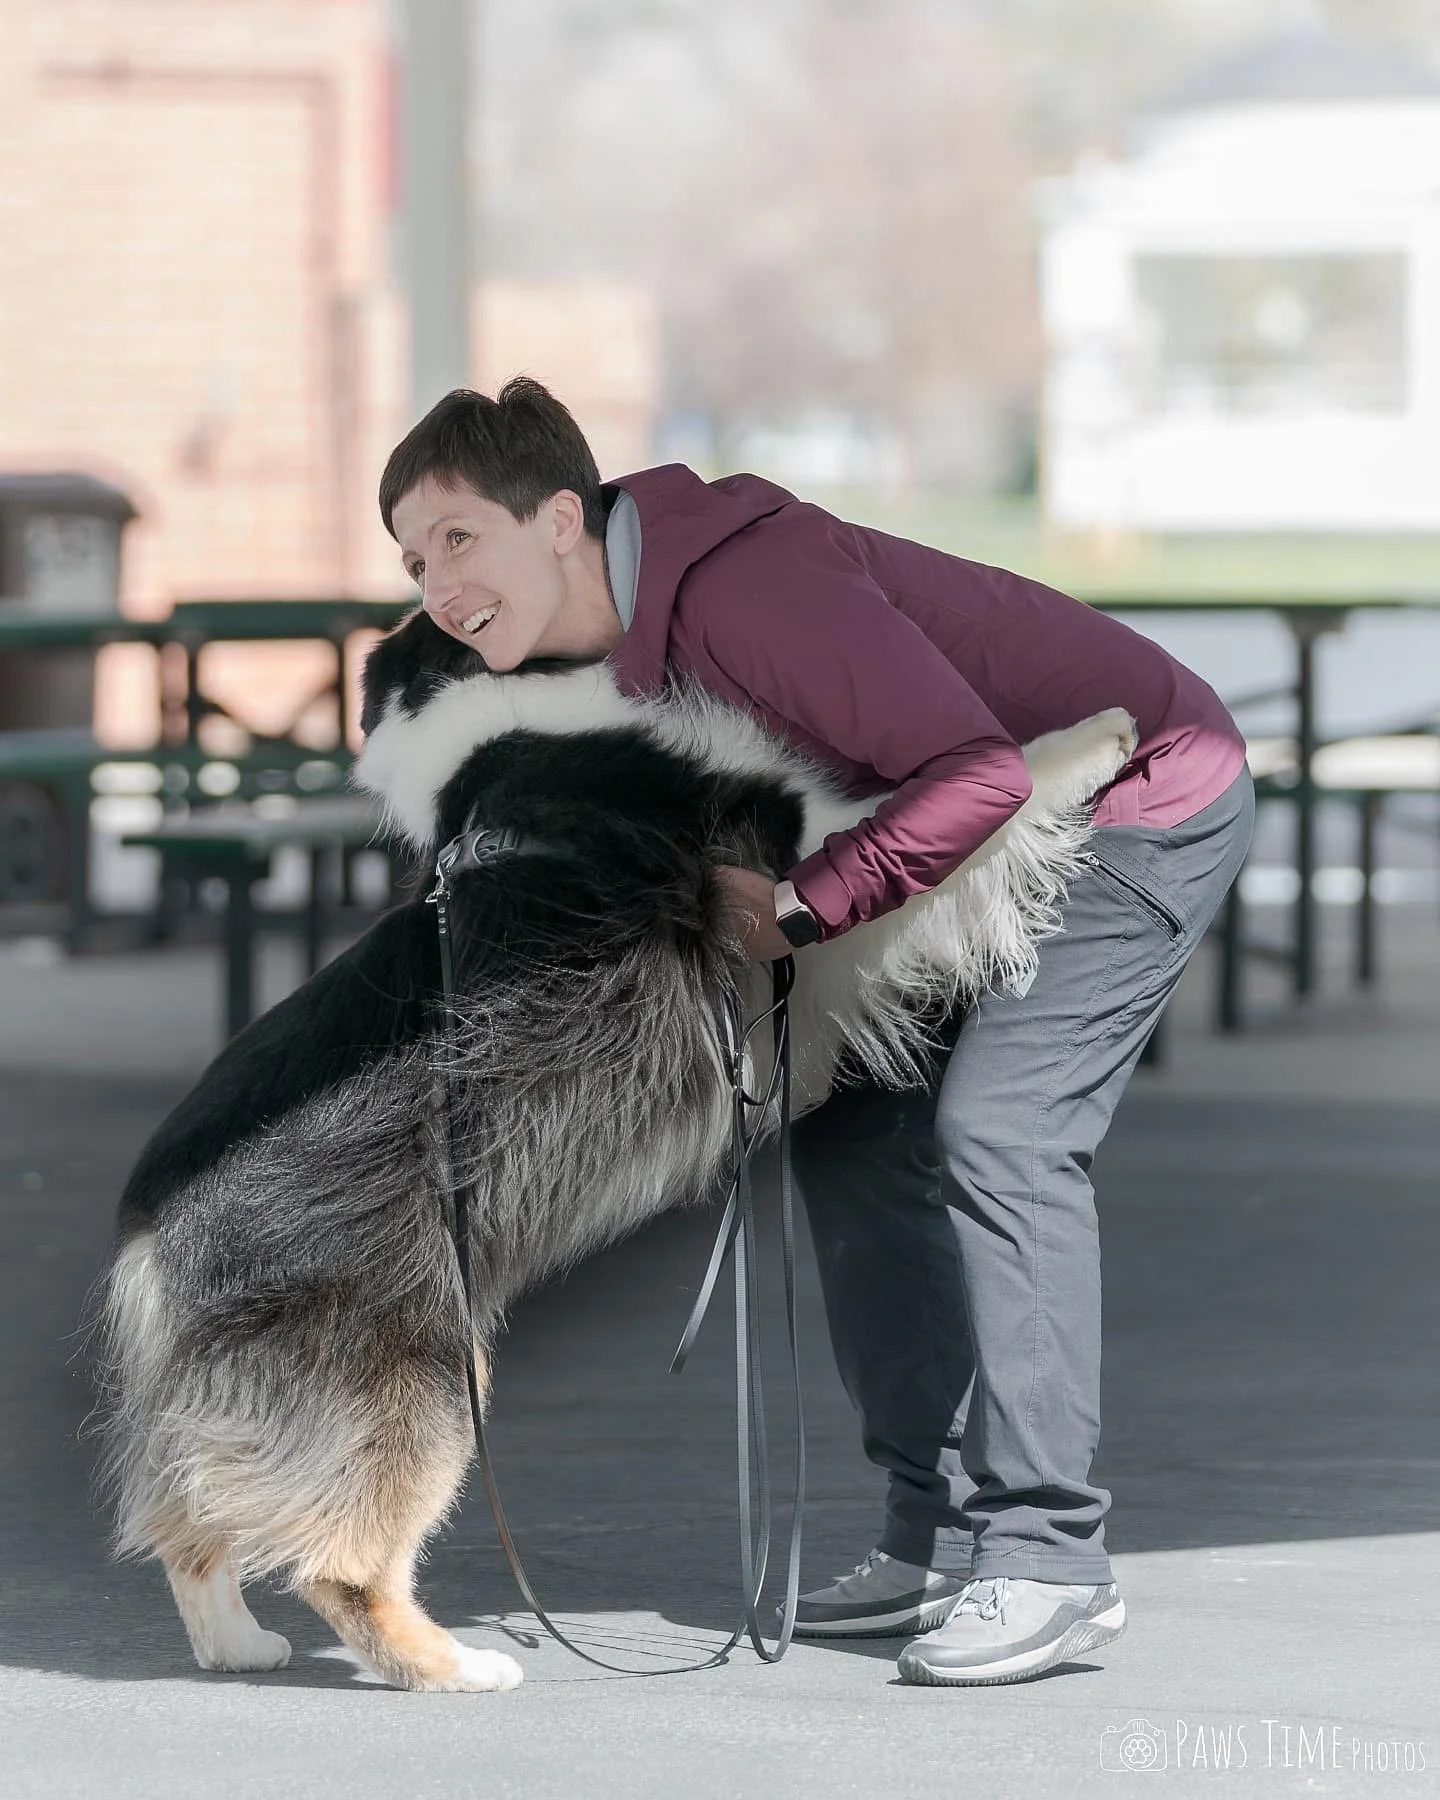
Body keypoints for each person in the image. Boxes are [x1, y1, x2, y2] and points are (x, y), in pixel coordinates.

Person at [378, 377, 1254, 1688]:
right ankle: (939, 1533)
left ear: (560, 519)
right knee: (851, 1139)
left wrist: (802, 908)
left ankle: (1049, 1560)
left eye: (459, 541)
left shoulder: (741, 590)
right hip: (969, 842)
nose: (437, 589)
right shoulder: (605, 630)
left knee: (1003, 1132)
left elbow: (980, 771)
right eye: (411, 560)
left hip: (1129, 793)